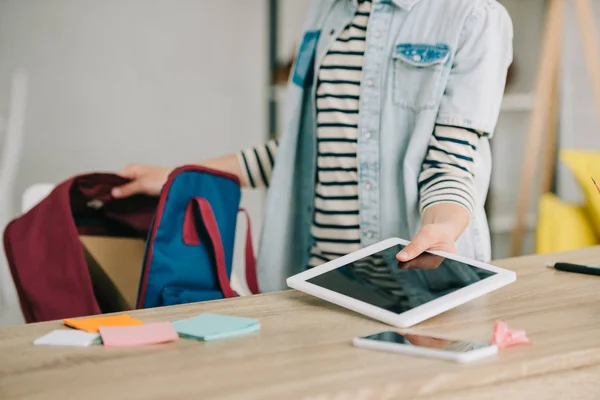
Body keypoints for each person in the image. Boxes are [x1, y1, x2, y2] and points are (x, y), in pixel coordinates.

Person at [112, 0, 513, 292]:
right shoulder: (328, 12)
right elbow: (300, 152)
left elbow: (453, 160)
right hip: (320, 283)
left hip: (414, 288)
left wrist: (442, 227)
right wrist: (177, 176)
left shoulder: (473, 17)